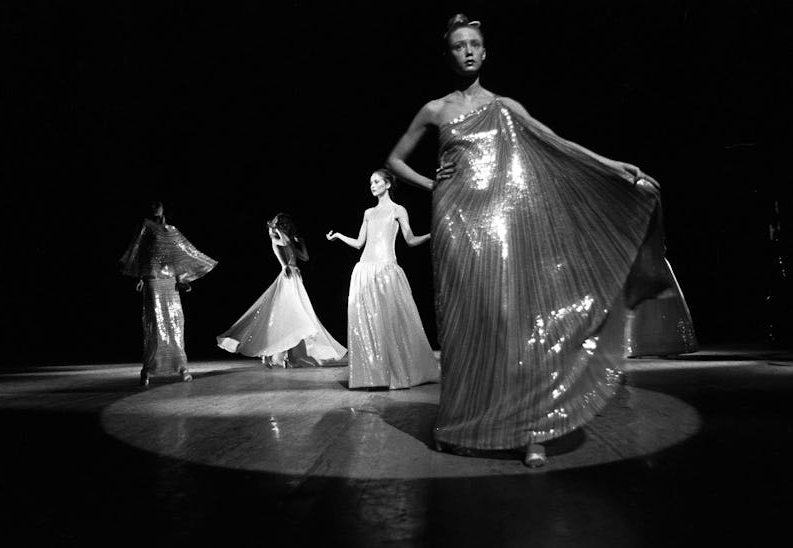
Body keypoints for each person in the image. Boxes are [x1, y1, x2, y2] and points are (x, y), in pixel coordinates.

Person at [385, 14, 695, 466]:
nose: (467, 51)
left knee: (514, 319)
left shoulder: (505, 106)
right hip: (456, 221)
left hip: (502, 220)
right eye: (458, 45)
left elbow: (554, 141)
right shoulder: (435, 109)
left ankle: (533, 428)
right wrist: (433, 184)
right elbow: (394, 160)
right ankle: (464, 423)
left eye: (474, 44)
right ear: (448, 55)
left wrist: (609, 165)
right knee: (465, 323)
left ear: (485, 52)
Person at [326, 169, 440, 389]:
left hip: (386, 269)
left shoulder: (398, 210)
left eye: (377, 181)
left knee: (390, 321)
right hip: (364, 269)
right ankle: (373, 375)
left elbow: (410, 239)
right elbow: (359, 243)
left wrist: (431, 235)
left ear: (387, 184)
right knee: (367, 323)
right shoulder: (368, 213)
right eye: (371, 182)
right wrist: (338, 236)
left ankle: (396, 372)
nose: (372, 185)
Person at [217, 213, 346, 367]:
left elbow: (305, 257)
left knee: (294, 316)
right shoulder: (276, 240)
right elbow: (285, 243)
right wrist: (276, 229)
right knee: (293, 314)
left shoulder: (288, 241)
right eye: (280, 225)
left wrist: (301, 243)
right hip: (288, 276)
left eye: (284, 225)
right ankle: (275, 355)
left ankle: (287, 356)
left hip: (295, 276)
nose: (283, 227)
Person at [119, 201, 217, 386]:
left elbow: (177, 257)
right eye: (151, 204)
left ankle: (181, 366)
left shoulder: (171, 231)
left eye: (158, 204)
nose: (154, 206)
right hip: (152, 279)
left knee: (175, 322)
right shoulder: (144, 228)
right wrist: (140, 277)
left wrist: (182, 280)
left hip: (169, 280)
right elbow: (139, 254)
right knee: (155, 323)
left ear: (164, 208)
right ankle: (148, 369)